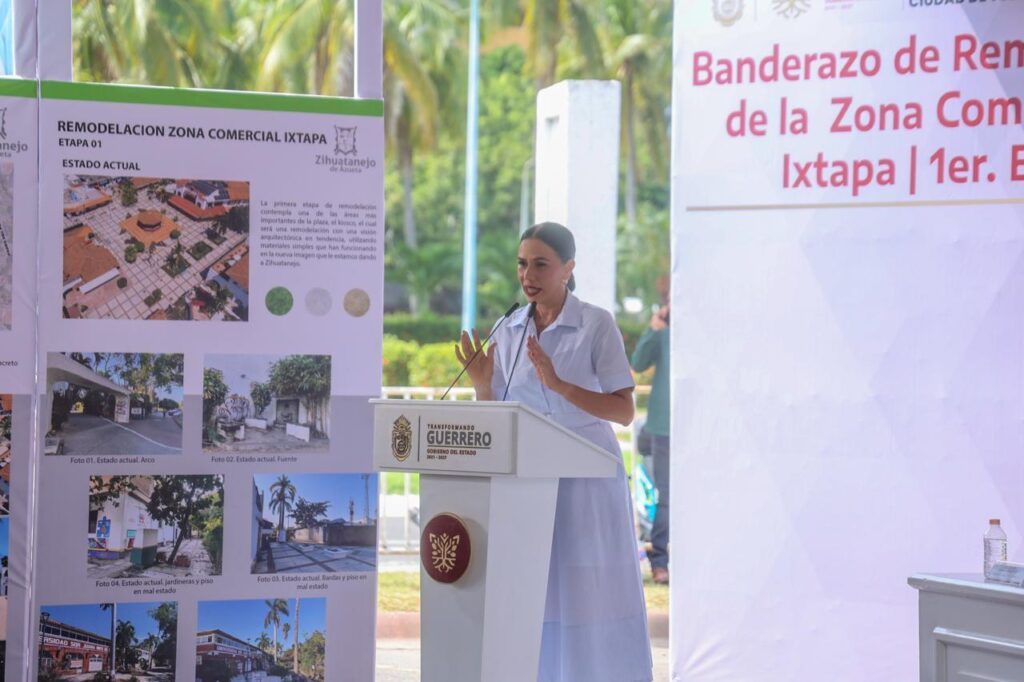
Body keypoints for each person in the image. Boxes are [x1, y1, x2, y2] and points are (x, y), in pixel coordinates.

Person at [455, 222, 653, 682]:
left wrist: (560, 385)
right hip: (529, 484)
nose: (528, 275)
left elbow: (624, 411)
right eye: (522, 264)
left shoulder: (596, 323)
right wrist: (482, 384)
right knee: (536, 593)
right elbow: (501, 416)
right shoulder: (508, 328)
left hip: (586, 483)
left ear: (568, 269)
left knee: (589, 591)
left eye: (541, 264)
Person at [630, 275, 671, 585]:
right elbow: (638, 362)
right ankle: (659, 560)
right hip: (663, 426)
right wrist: (653, 329)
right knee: (665, 496)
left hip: (699, 426)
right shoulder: (662, 331)